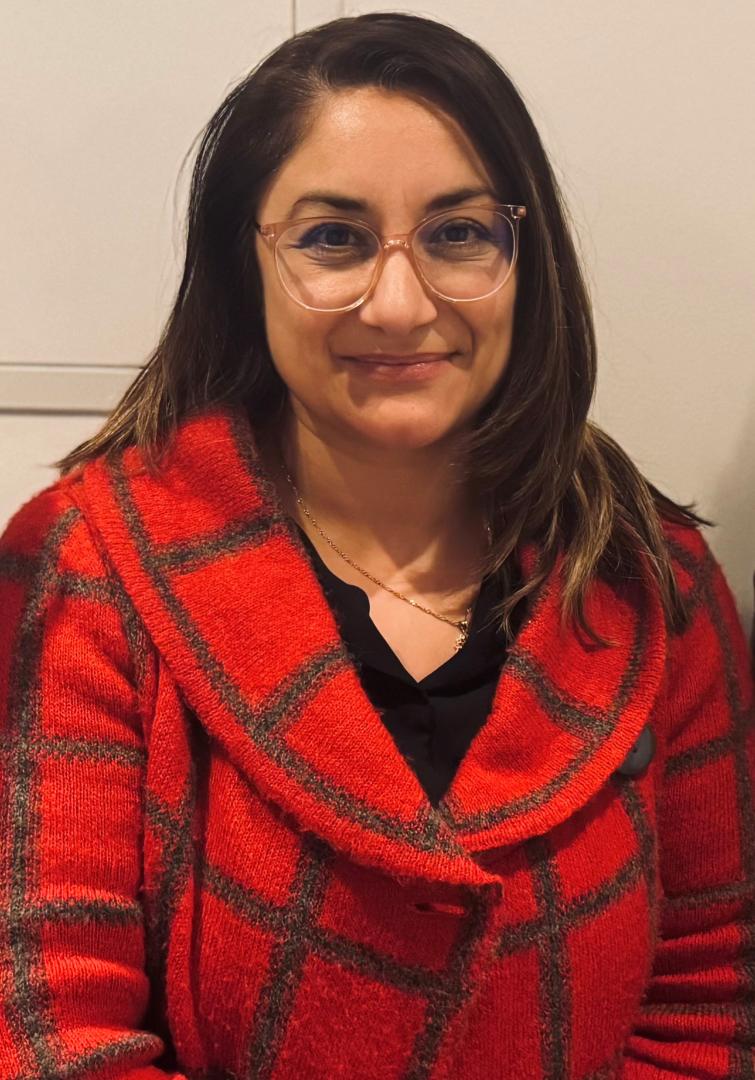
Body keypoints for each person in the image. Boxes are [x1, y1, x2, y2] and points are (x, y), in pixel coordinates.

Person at [0, 12, 753, 1079]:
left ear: (525, 257)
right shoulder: (87, 565)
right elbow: (45, 1026)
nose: (399, 305)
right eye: (332, 239)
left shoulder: (647, 576)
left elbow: (709, 1002)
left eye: (458, 233)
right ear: (245, 263)